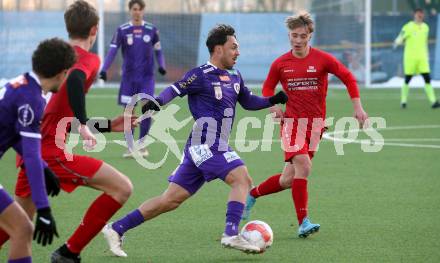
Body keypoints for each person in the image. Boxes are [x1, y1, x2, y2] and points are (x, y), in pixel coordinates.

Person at [101, 24, 288, 256]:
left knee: (170, 200)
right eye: (234, 47)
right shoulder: (200, 74)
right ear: (219, 49)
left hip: (205, 147)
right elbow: (175, 89)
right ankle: (231, 233)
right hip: (205, 144)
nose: (237, 52)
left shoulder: (234, 76)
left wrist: (273, 100)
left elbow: (248, 101)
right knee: (242, 179)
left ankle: (117, 228)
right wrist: (157, 101)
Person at [0, 1, 136, 262]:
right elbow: (74, 82)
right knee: (122, 188)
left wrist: (108, 125)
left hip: (33, 149)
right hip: (48, 152)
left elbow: (59, 119)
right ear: (95, 29)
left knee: (16, 224)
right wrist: (85, 124)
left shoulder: (51, 65)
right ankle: (69, 252)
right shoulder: (84, 61)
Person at [241, 13, 369, 238]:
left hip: (315, 126)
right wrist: (272, 106)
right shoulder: (281, 63)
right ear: (289, 35)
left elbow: (348, 77)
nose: (297, 40)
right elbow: (268, 88)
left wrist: (357, 108)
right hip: (291, 124)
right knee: (305, 166)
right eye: (293, 35)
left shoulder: (323, 59)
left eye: (302, 36)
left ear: (310, 36)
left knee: (287, 179)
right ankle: (303, 222)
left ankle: (252, 194)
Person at [0, 38, 76, 263]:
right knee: (23, 228)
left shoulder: (22, 84)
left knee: (21, 228)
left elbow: (10, 134)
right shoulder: (32, 100)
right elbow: (31, 155)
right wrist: (43, 209)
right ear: (62, 73)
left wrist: (44, 168)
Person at [99, 0, 167, 157]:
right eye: (134, 9)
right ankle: (130, 147)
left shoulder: (152, 30)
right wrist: (104, 69)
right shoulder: (122, 30)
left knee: (147, 109)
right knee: (129, 112)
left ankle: (142, 145)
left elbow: (159, 51)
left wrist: (161, 65)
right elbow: (112, 51)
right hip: (129, 79)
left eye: (139, 9)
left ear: (143, 11)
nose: (137, 12)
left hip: (146, 78)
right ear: (130, 11)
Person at [394, 8, 439, 109]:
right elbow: (400, 37)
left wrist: (426, 54)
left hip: (422, 58)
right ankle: (403, 101)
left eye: (421, 14)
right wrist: (398, 41)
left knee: (427, 78)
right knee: (408, 79)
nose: (420, 15)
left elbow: (424, 42)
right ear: (414, 15)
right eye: (418, 14)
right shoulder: (408, 27)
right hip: (410, 58)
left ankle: (433, 102)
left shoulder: (425, 27)